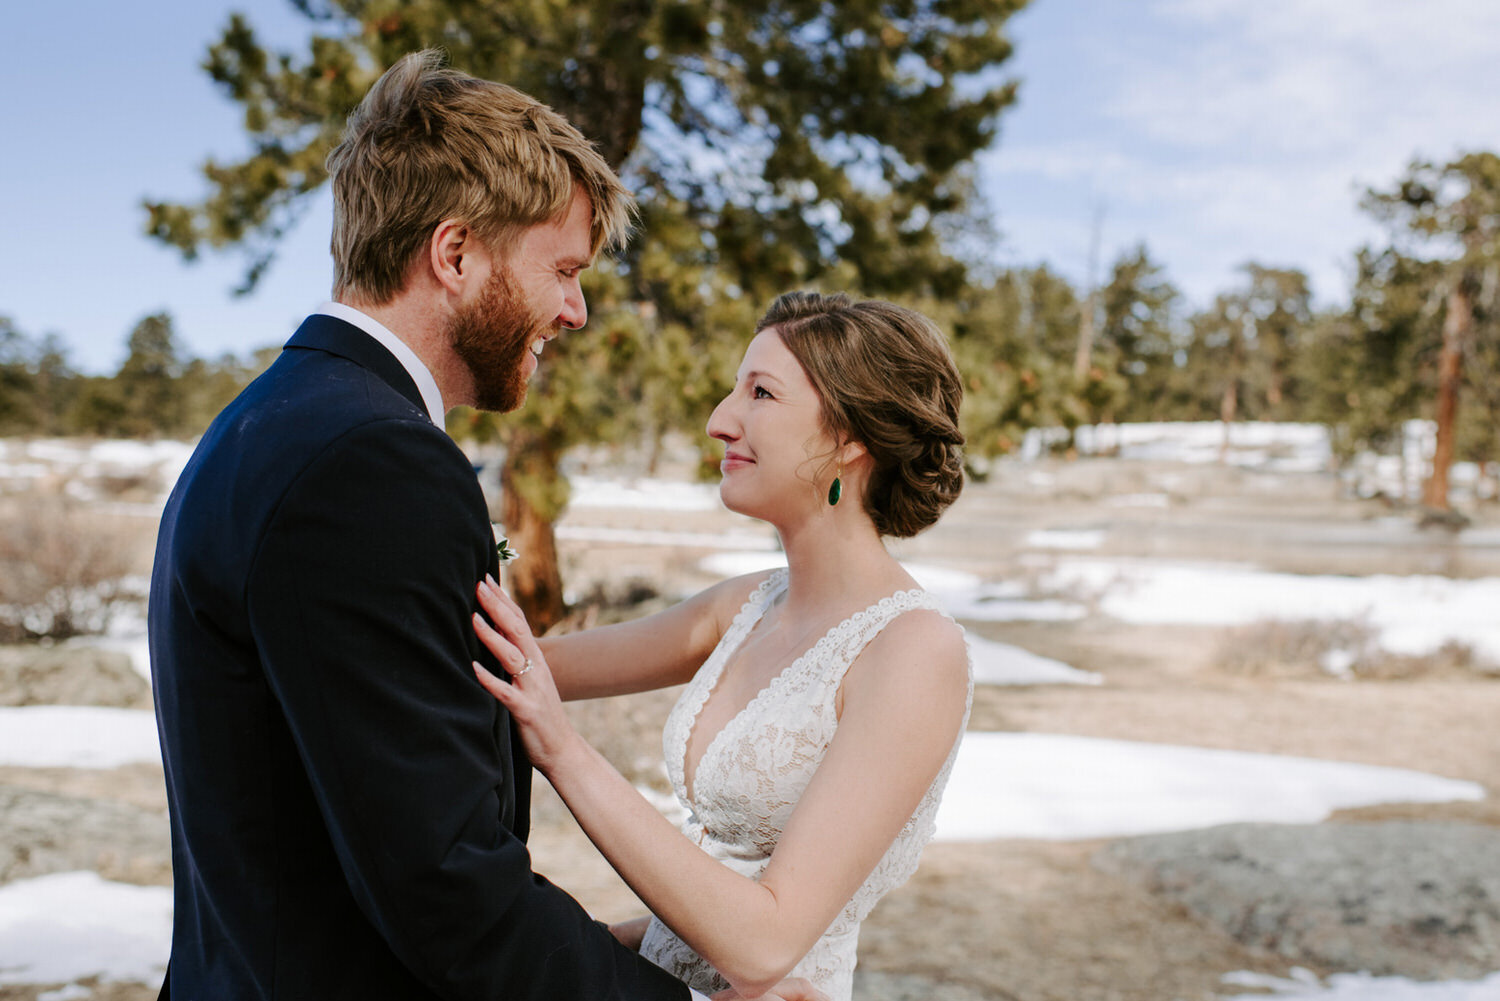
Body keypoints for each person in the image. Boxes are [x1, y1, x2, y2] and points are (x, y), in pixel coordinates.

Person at [148, 50, 823, 1001]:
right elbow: (442, 884)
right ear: (456, 254)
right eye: (562, 269)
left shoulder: (270, 420)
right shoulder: (372, 465)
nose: (577, 310)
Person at [471, 290, 974, 1001]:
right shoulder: (743, 604)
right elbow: (523, 665)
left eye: (760, 392)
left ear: (849, 437)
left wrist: (561, 748)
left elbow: (765, 940)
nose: (718, 420)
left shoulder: (915, 652)